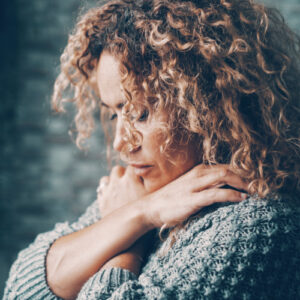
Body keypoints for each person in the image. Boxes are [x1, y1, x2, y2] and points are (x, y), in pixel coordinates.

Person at [4, 0, 300, 299]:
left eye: (140, 113)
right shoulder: (147, 193)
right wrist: (141, 213)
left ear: (208, 104)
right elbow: (21, 287)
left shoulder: (258, 226)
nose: (121, 142)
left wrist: (131, 234)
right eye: (113, 113)